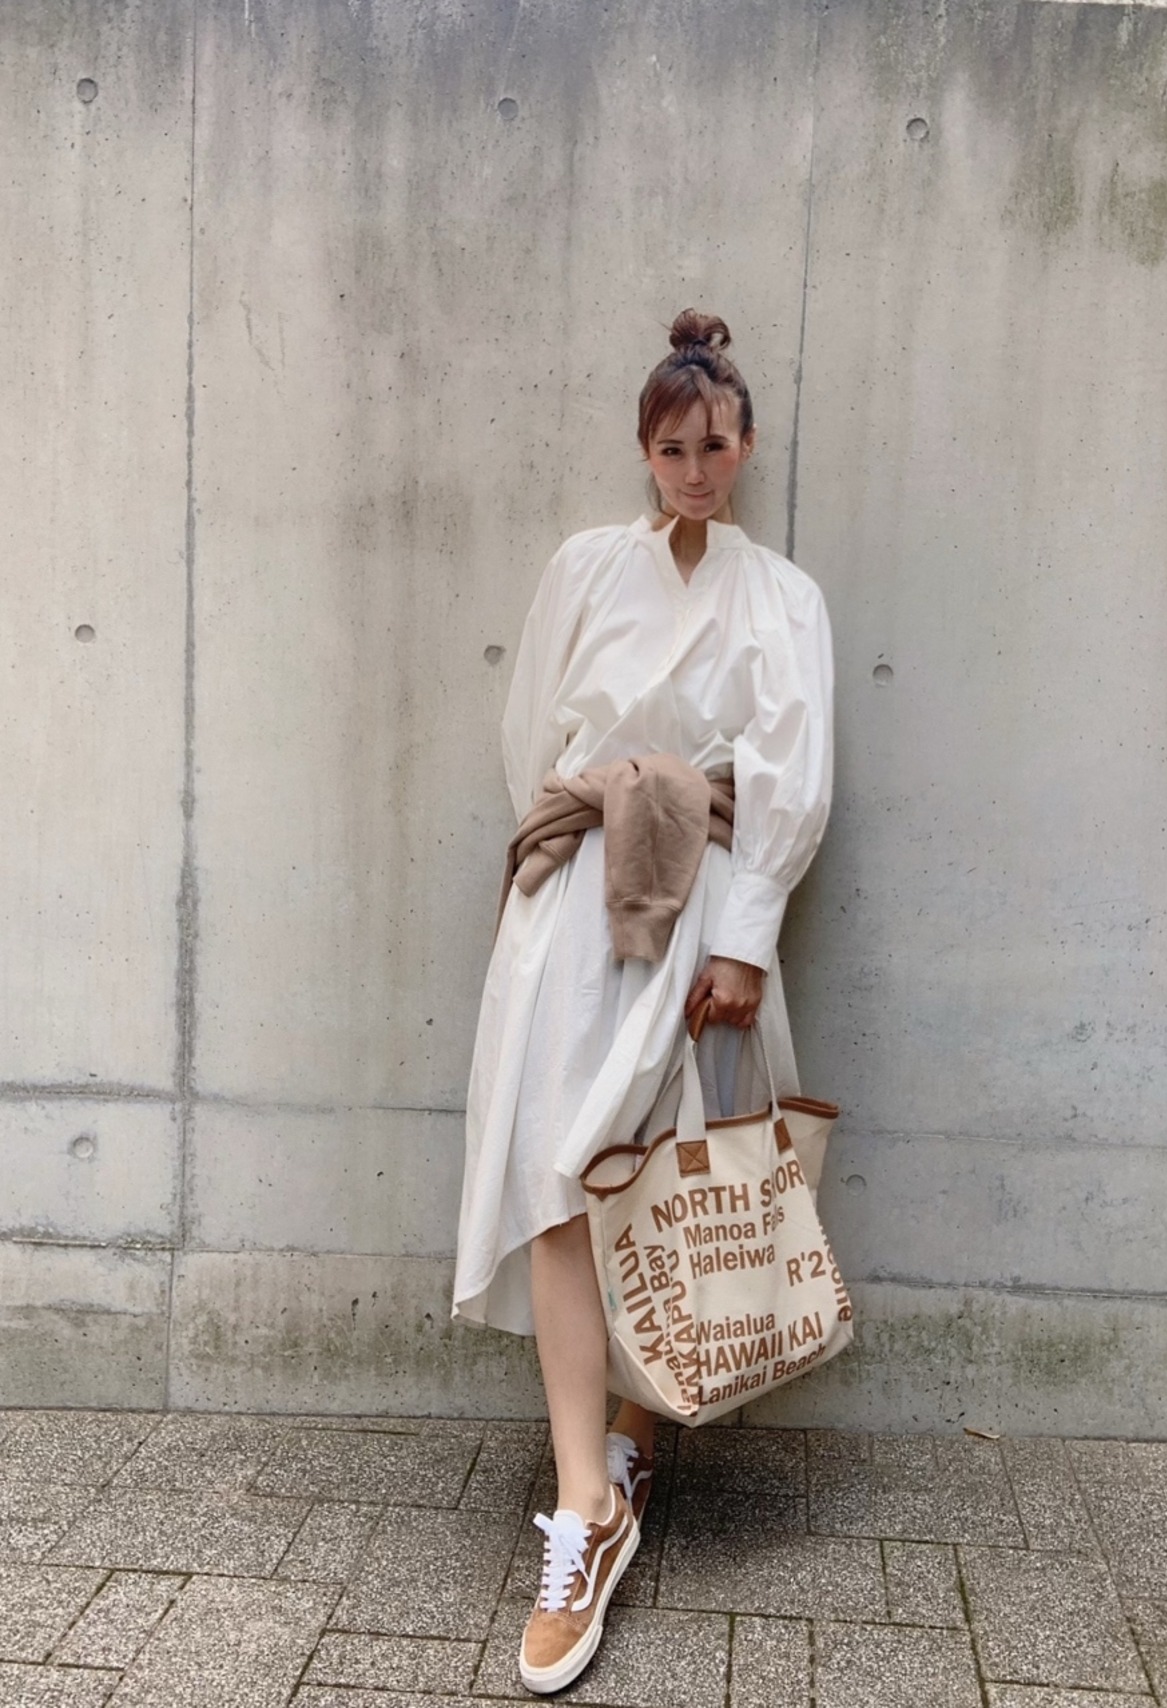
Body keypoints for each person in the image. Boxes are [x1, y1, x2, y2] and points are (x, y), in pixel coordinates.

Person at [452, 310, 833, 1694]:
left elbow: (793, 770)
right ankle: (586, 1503)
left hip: (707, 912)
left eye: (716, 446)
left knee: (662, 1174)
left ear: (748, 444)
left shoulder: (782, 596)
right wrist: (567, 869)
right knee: (559, 1176)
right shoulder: (584, 567)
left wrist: (745, 937)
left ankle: (632, 1430)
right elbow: (531, 740)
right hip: (575, 907)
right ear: (644, 449)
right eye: (673, 449)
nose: (695, 470)